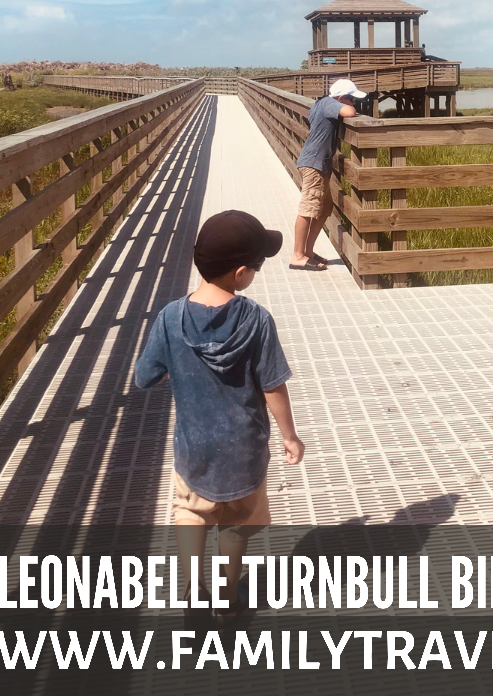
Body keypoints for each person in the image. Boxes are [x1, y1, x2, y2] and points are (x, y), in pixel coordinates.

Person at [134, 209, 304, 621]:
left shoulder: (171, 318)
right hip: (244, 451)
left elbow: (143, 377)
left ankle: (194, 589)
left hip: (194, 450)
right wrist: (289, 436)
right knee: (235, 521)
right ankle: (228, 597)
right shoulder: (256, 320)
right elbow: (272, 385)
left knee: (190, 511)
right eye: (258, 266)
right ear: (241, 273)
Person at [289, 77, 366, 271]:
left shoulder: (320, 103)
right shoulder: (330, 104)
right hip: (314, 163)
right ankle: (297, 255)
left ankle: (307, 250)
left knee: (324, 207)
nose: (354, 104)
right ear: (341, 98)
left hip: (316, 163)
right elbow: (349, 112)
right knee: (309, 208)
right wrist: (350, 108)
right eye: (352, 99)